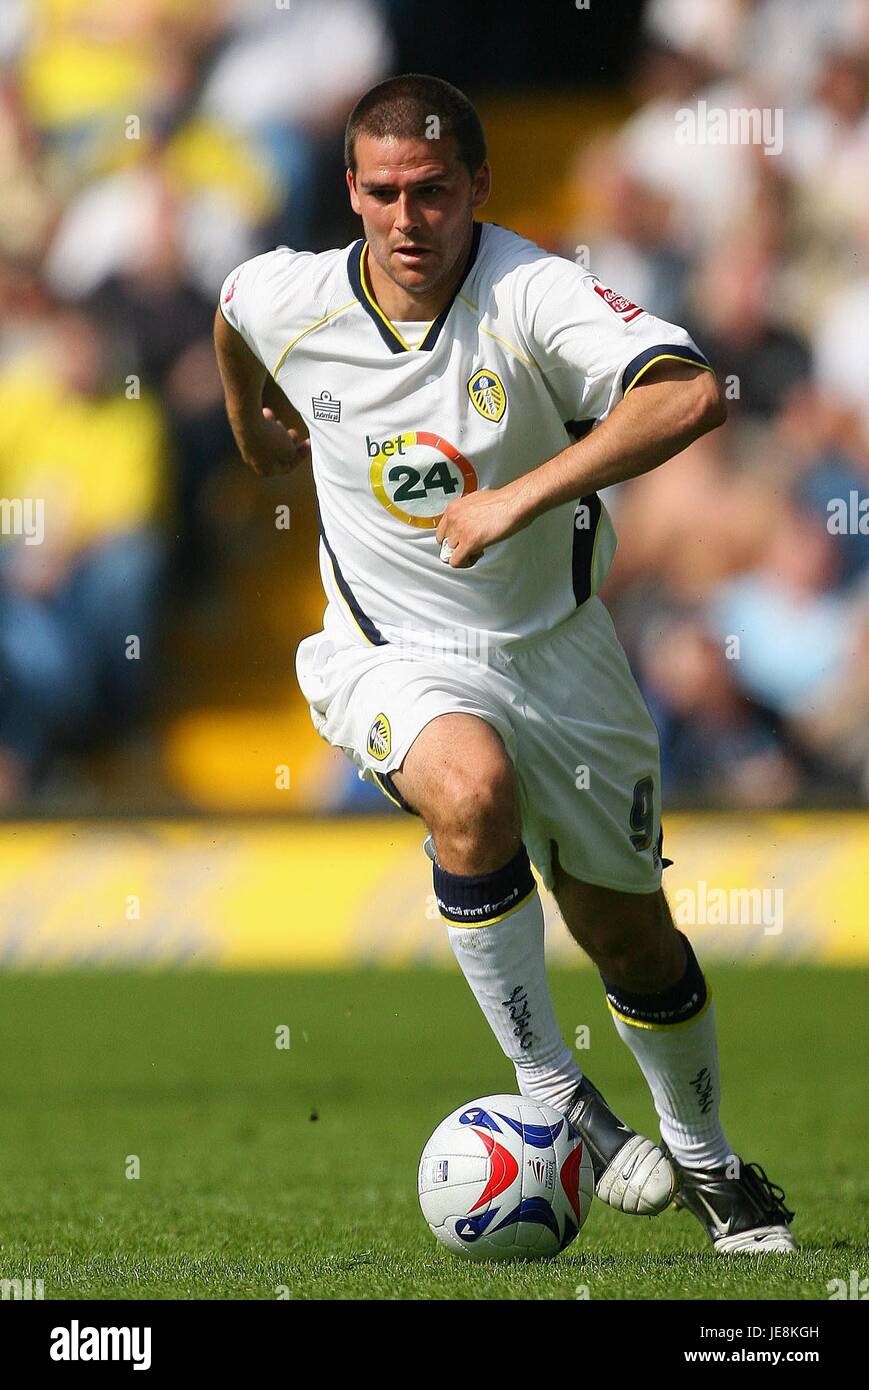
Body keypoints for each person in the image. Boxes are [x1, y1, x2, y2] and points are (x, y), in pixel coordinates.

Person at [214, 73, 796, 1254]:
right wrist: (254, 427)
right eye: (381, 193)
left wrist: (519, 499)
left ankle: (709, 1163)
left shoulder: (531, 292)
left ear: (478, 186)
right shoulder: (291, 295)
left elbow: (685, 394)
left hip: (560, 655)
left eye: (431, 191)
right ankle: (558, 1097)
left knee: (630, 935)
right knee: (468, 787)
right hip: (389, 648)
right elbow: (231, 314)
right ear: (350, 194)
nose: (405, 218)